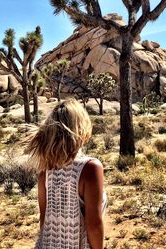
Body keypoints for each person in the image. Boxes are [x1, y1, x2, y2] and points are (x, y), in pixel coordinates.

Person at [26, 98, 107, 249]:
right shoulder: (90, 168)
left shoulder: (45, 170)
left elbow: (44, 220)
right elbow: (94, 226)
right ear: (80, 127)